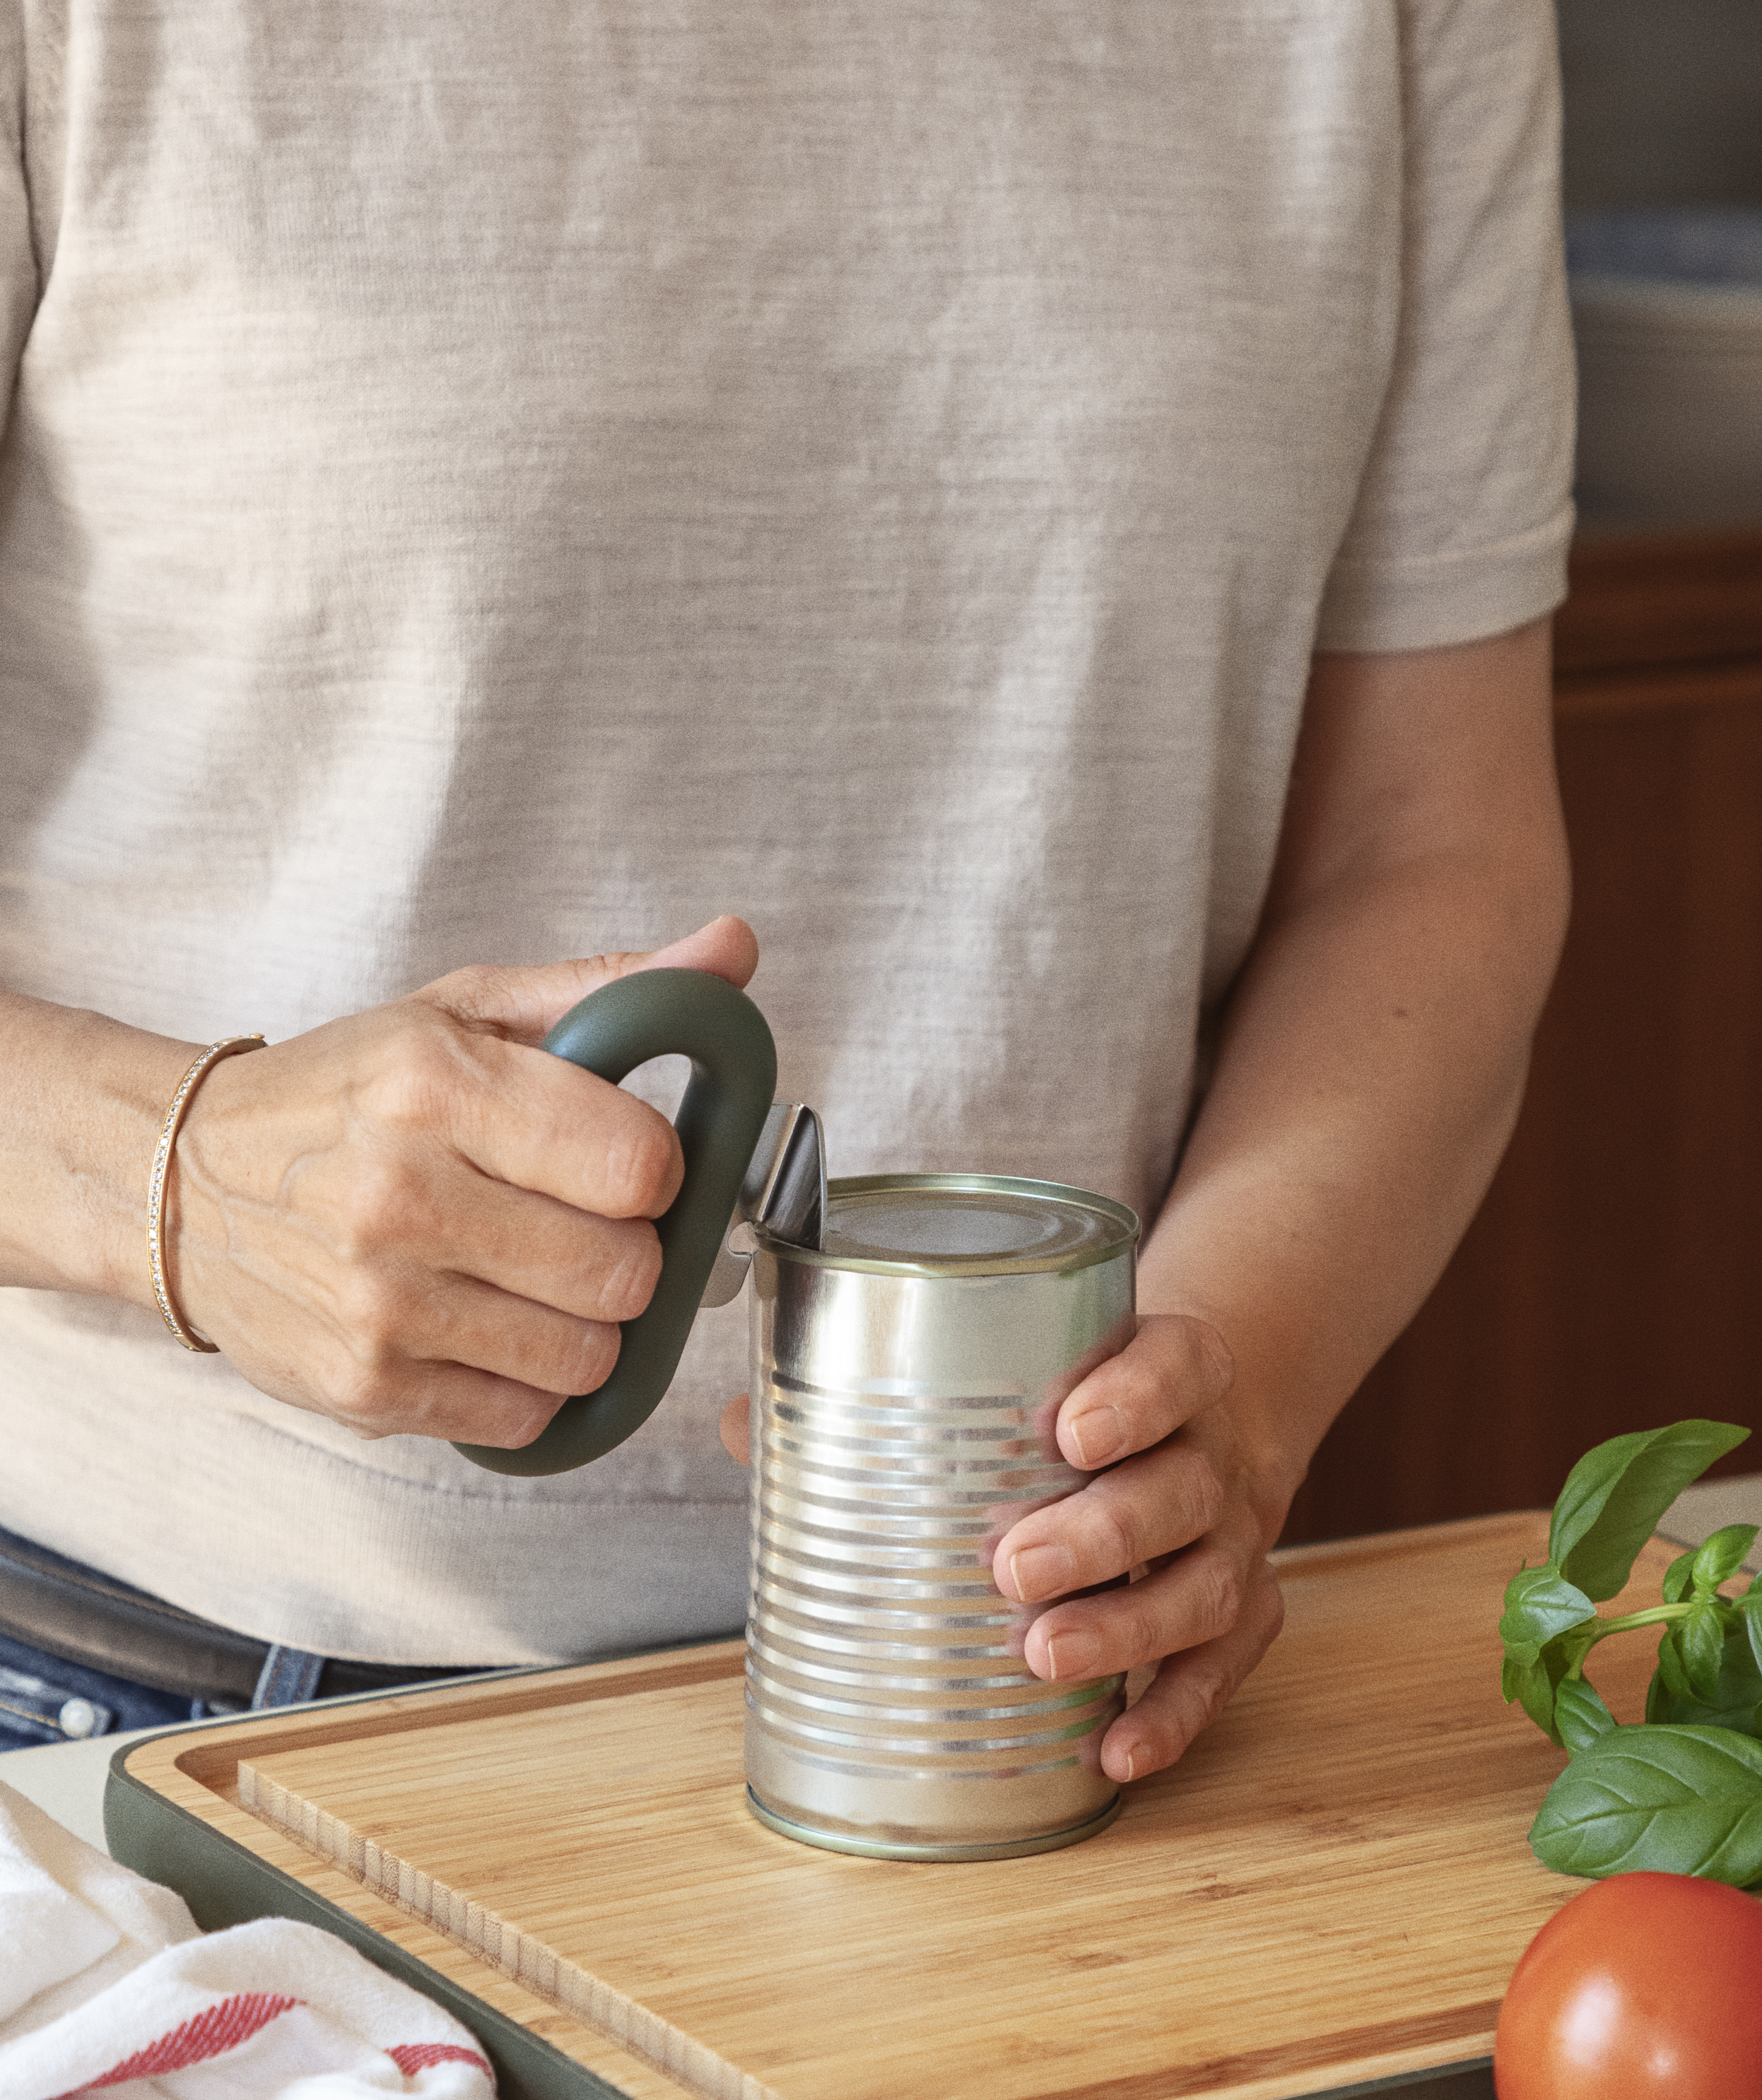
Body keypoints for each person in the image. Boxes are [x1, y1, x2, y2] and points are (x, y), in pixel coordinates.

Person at [0, 0, 1573, 1783]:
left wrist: (1221, 1394)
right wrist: (183, 1178)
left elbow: (1421, 846)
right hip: (152, 1693)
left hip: (1025, 1694)